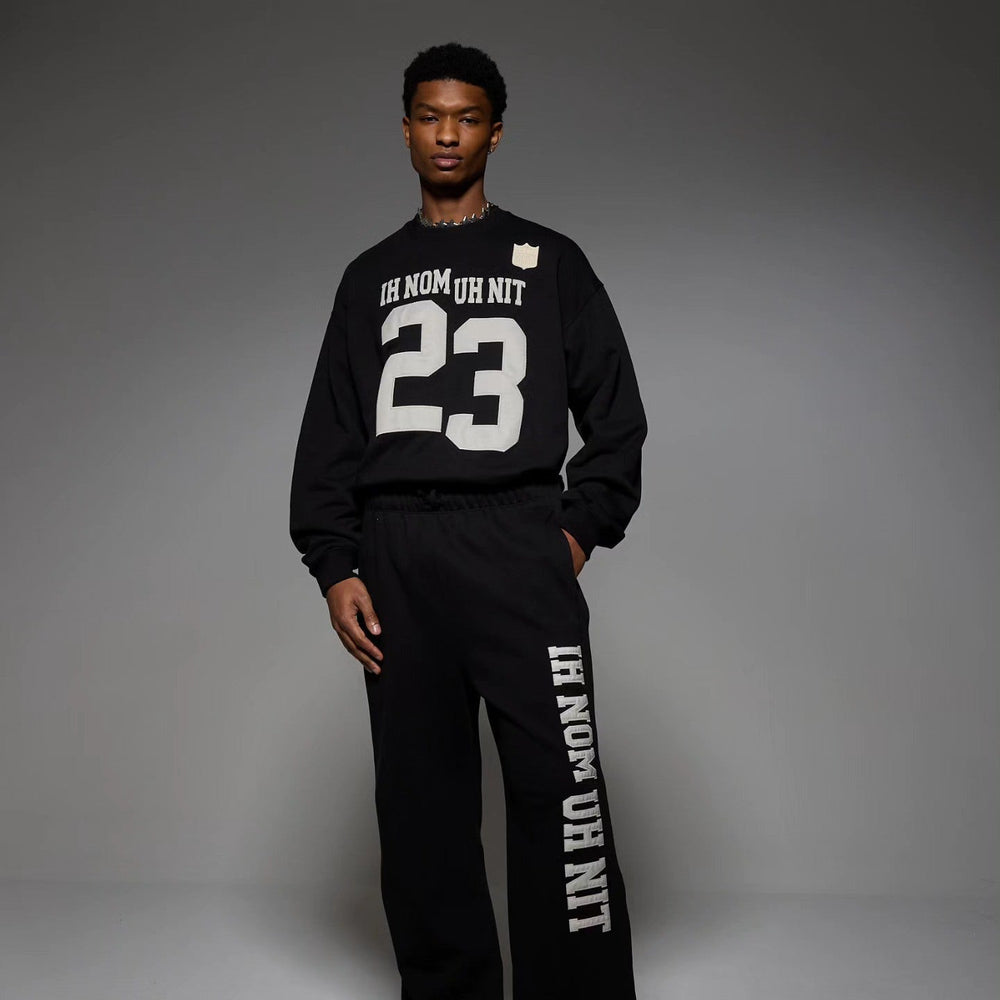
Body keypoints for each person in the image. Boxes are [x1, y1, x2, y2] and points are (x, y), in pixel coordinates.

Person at [289, 41, 647, 1000]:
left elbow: (616, 420)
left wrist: (573, 531)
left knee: (562, 793)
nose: (448, 134)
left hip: (515, 539)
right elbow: (330, 435)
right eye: (431, 116)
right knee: (421, 807)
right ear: (406, 129)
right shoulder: (368, 277)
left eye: (468, 117)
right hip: (397, 552)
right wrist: (336, 563)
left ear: (496, 132)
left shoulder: (552, 261)